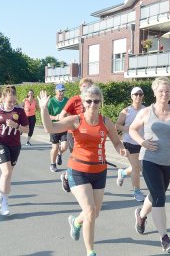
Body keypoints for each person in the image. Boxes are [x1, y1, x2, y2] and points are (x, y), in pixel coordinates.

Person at [39, 85, 128, 256]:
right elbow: (50, 128)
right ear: (83, 102)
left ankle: (76, 223)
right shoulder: (76, 120)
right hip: (78, 171)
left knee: (95, 213)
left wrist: (121, 149)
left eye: (96, 101)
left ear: (100, 102)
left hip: (100, 172)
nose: (93, 104)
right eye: (89, 101)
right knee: (89, 210)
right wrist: (43, 108)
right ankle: (90, 251)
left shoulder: (106, 121)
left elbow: (117, 142)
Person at [129, 77, 170, 253]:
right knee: (160, 197)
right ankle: (164, 238)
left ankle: (141, 215)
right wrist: (142, 142)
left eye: (167, 91)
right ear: (155, 92)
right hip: (149, 159)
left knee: (155, 196)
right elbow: (132, 129)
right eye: (161, 91)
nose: (164, 94)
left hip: (167, 161)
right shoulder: (147, 112)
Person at [0, 86, 29, 216]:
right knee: (7, 172)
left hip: (15, 145)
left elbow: (26, 129)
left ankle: (0, 192)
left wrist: (16, 125)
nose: (12, 104)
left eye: (14, 101)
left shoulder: (19, 111)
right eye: (10, 101)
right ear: (3, 99)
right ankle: (4, 202)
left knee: (8, 175)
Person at [59, 78, 94, 192]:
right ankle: (67, 176)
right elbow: (61, 116)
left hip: (88, 135)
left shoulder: (93, 100)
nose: (86, 88)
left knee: (87, 160)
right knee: (77, 159)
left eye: (89, 86)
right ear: (80, 87)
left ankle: (84, 184)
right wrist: (71, 125)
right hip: (74, 135)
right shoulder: (74, 100)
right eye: (84, 86)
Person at [115, 86, 146, 202]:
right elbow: (117, 125)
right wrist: (127, 129)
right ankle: (137, 192)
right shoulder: (126, 111)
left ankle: (122, 172)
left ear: (143, 96)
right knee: (136, 167)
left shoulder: (146, 110)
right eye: (136, 94)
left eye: (140, 94)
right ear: (131, 96)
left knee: (139, 167)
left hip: (142, 143)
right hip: (129, 142)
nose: (138, 96)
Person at [47, 83, 69, 172]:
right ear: (55, 91)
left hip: (64, 126)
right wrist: (56, 117)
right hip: (54, 127)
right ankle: (52, 164)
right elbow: (46, 115)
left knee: (64, 146)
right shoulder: (51, 101)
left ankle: (59, 154)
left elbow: (71, 112)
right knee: (55, 147)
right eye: (60, 91)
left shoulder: (67, 100)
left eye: (63, 91)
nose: (61, 93)